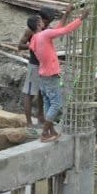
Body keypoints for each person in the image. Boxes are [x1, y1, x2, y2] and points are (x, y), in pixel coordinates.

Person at [28, 8, 85, 143]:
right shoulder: (44, 35)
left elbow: (57, 30)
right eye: (41, 21)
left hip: (42, 75)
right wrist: (81, 19)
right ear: (38, 24)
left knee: (48, 102)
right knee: (56, 104)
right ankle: (44, 134)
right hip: (51, 74)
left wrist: (66, 14)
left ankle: (51, 131)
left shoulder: (35, 39)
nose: (43, 22)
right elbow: (65, 30)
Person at [16, 7, 64, 126]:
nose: (47, 24)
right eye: (47, 22)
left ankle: (41, 117)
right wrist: (34, 44)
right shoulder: (30, 30)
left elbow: (60, 30)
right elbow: (20, 45)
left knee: (43, 94)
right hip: (34, 66)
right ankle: (28, 123)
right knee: (30, 94)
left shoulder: (46, 29)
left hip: (44, 67)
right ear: (42, 19)